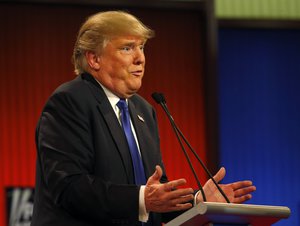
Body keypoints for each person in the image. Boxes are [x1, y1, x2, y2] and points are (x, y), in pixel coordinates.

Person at [31, 11, 256, 226]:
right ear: (94, 59)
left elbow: (157, 193)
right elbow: (70, 187)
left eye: (141, 47)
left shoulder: (143, 110)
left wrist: (198, 202)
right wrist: (142, 199)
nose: (140, 58)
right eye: (127, 48)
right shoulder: (70, 101)